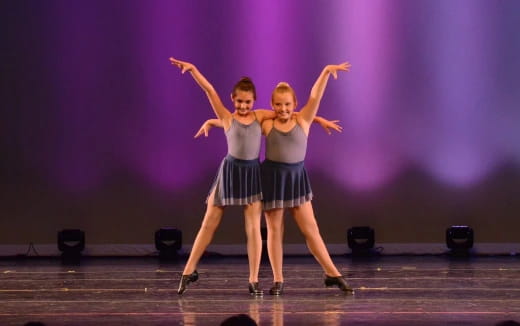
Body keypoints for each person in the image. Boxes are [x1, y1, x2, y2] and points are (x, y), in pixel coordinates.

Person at [169, 57, 340, 295]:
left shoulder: (260, 116)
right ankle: (188, 271)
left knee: (253, 228)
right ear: (233, 100)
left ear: (254, 102)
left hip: (252, 174)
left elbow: (290, 113)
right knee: (209, 223)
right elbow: (209, 90)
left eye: (248, 102)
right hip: (230, 172)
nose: (243, 106)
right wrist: (193, 70)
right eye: (239, 101)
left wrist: (317, 120)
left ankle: (253, 280)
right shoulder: (228, 117)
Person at [260, 63, 354, 295]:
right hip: (272, 178)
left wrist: (324, 72)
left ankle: (332, 273)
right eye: (279, 105)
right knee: (274, 230)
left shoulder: (303, 121)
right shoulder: (268, 123)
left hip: (296, 179)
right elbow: (242, 118)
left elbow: (316, 96)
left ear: (295, 105)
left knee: (311, 229)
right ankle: (278, 280)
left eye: (288, 105)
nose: (283, 109)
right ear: (272, 105)